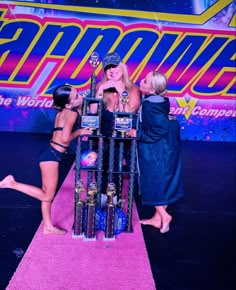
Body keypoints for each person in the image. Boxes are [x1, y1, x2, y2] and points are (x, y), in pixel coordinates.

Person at [0, 85, 93, 235]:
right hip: (52, 156)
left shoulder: (63, 112)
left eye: (78, 94)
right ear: (68, 104)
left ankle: (48, 226)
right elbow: (64, 139)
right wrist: (80, 132)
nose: (81, 97)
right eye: (77, 97)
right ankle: (11, 183)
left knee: (46, 193)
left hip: (49, 154)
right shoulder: (71, 114)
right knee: (47, 195)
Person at [136, 71, 185, 233]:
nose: (140, 81)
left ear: (151, 90)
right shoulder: (161, 99)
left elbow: (160, 128)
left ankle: (164, 214)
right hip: (166, 147)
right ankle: (157, 219)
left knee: (153, 180)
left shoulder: (150, 105)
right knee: (162, 182)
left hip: (157, 150)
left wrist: (138, 134)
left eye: (145, 81)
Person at [90, 52, 141, 197]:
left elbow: (129, 115)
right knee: (100, 170)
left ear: (123, 67)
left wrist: (122, 93)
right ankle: (100, 199)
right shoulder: (101, 85)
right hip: (102, 137)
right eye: (108, 68)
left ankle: (115, 201)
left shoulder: (133, 89)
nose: (111, 70)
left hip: (122, 140)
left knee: (117, 171)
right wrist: (100, 90)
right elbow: (92, 111)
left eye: (115, 66)